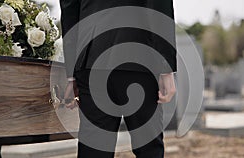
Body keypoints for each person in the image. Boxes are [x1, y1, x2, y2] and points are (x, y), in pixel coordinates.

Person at [60, 0, 177, 157]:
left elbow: (69, 10)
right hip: (140, 54)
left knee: (95, 148)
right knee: (148, 148)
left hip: (91, 55)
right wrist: (166, 67)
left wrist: (71, 75)